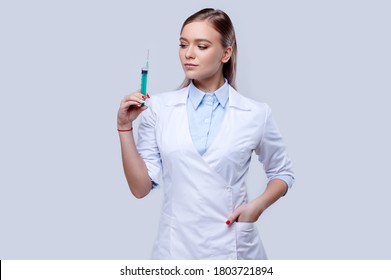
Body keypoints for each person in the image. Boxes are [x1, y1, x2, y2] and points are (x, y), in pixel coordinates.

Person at [117, 8, 294, 260]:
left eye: (201, 46)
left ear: (225, 53)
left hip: (233, 248)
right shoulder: (158, 108)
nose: (188, 54)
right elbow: (140, 188)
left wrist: (257, 206)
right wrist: (124, 128)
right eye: (183, 44)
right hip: (175, 248)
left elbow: (282, 173)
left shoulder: (255, 113)